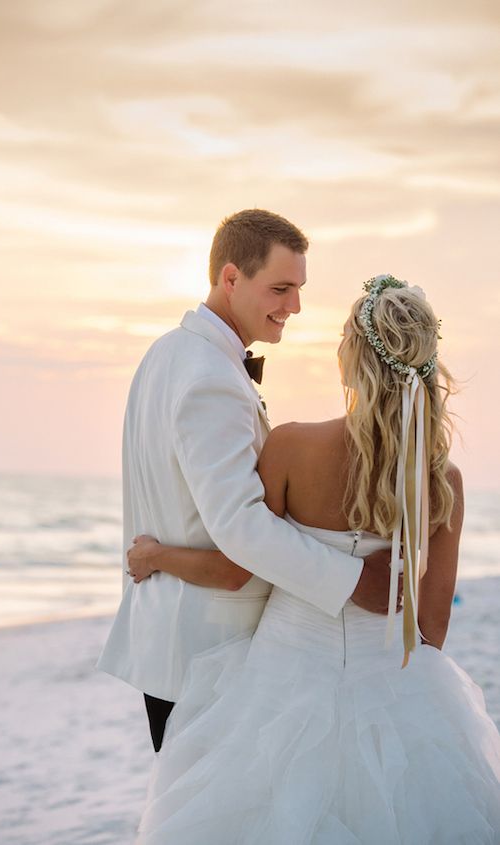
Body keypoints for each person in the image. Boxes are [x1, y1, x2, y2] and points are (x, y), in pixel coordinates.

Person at [131, 276, 500, 844]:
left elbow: (239, 566)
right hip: (399, 691)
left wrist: (157, 556)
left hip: (278, 682)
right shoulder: (440, 481)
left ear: (350, 355)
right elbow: (429, 628)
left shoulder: (292, 446)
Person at [97, 210, 394, 753]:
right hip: (207, 648)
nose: (295, 307)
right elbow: (240, 527)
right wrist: (353, 581)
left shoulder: (168, 353)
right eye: (280, 288)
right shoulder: (210, 377)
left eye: (299, 289)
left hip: (174, 638)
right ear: (230, 278)